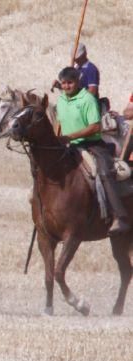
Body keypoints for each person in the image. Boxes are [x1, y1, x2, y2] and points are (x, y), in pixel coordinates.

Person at [55, 66, 129, 235]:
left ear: (78, 82)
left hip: (92, 145)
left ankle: (120, 216)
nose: (66, 86)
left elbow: (95, 127)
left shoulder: (87, 99)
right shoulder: (61, 100)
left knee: (104, 172)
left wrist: (70, 136)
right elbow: (59, 122)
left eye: (70, 83)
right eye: (64, 83)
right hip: (70, 146)